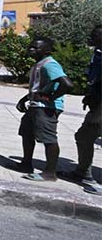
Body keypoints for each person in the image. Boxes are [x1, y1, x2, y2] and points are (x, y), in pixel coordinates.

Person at [16, 37, 73, 182]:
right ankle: (26, 164)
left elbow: (67, 84)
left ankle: (50, 172)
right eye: (30, 46)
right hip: (35, 105)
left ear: (46, 50)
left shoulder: (50, 64)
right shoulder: (39, 64)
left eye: (36, 48)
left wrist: (50, 97)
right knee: (27, 133)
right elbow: (40, 86)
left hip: (45, 108)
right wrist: (25, 99)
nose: (31, 50)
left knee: (48, 138)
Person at [63, 25, 102, 193]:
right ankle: (82, 172)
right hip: (97, 104)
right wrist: (90, 95)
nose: (91, 37)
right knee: (84, 136)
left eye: (96, 34)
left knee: (85, 135)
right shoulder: (98, 53)